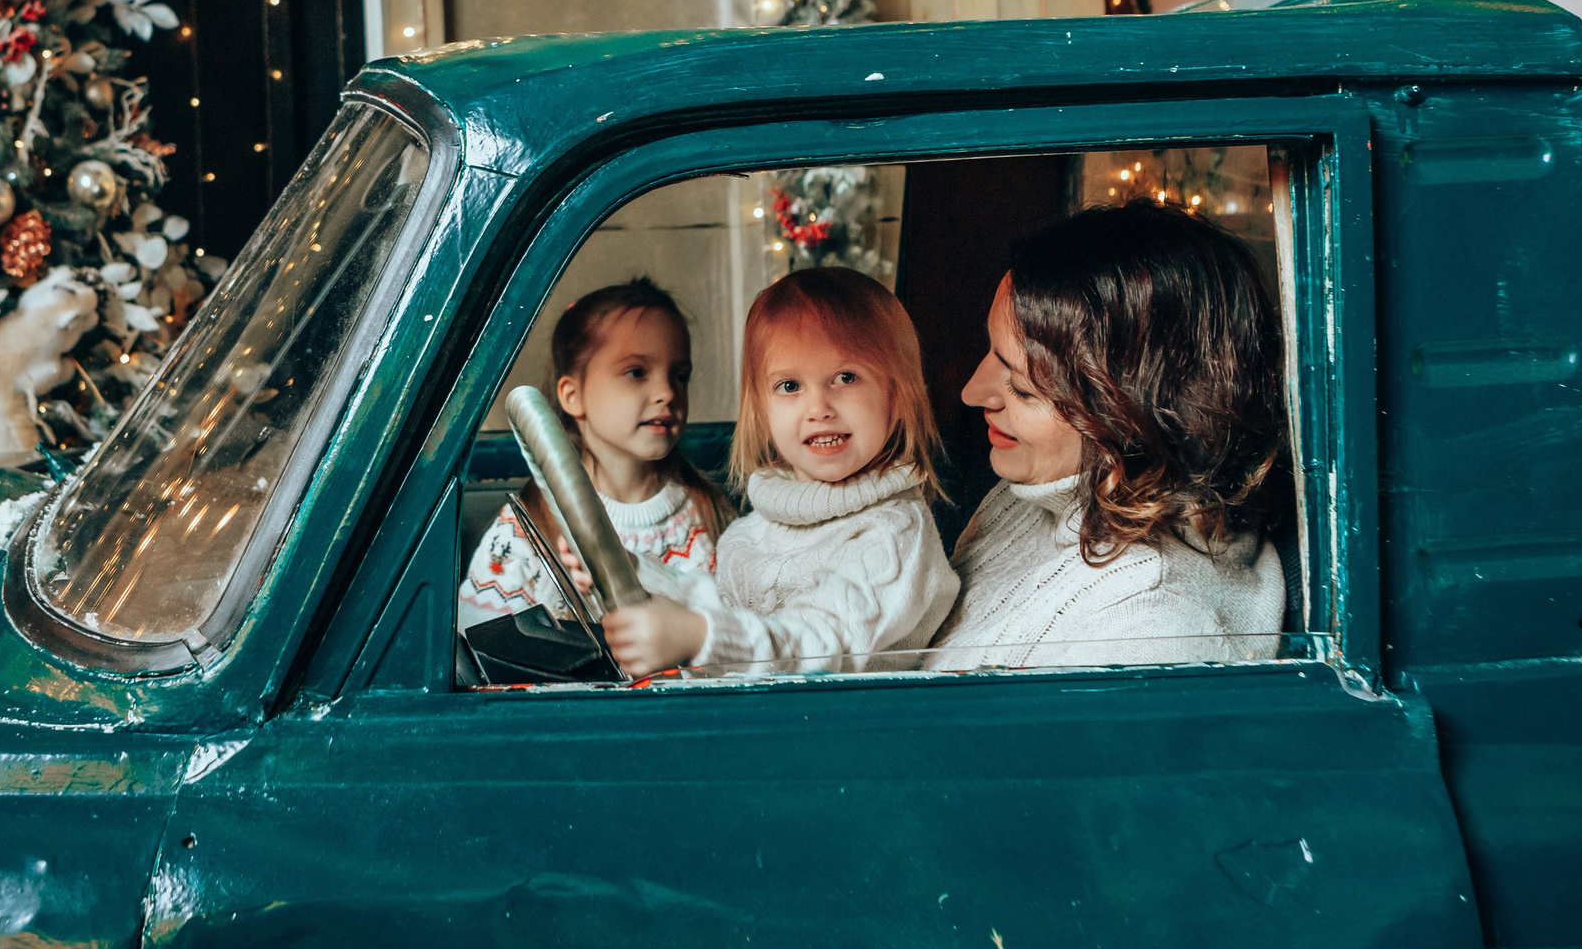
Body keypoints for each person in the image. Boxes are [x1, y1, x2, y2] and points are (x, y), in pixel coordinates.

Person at [923, 200, 1290, 671]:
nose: (972, 393)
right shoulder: (1050, 492)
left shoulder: (1148, 626)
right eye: (992, 352)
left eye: (1021, 387)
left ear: (1128, 416)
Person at [600, 265, 958, 677]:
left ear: (897, 393)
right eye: (790, 386)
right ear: (761, 408)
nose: (818, 408)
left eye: (845, 377)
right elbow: (724, 609)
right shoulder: (752, 531)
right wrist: (634, 571)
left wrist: (700, 637)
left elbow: (821, 643)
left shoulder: (894, 533)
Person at [457, 278, 734, 634]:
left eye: (680, 376)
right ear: (572, 396)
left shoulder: (710, 515)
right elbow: (480, 645)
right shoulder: (527, 529)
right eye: (636, 372)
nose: (667, 392)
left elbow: (739, 635)